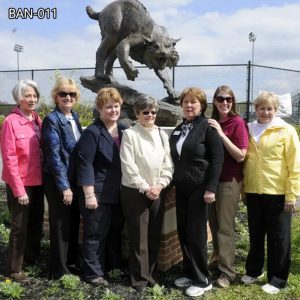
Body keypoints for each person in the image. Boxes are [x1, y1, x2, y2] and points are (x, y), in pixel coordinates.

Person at [241, 92, 300, 294]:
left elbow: (295, 165)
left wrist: (292, 195)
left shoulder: (286, 130)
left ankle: (277, 278)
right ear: (255, 108)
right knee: (256, 234)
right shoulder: (248, 129)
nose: (265, 112)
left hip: (278, 192)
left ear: (275, 110)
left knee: (279, 237)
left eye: (269, 108)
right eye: (261, 108)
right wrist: (243, 190)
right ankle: (254, 270)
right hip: (253, 191)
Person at [169, 87, 224, 297]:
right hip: (181, 187)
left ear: (201, 106)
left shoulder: (207, 128)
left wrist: (210, 188)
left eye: (194, 102)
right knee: (183, 231)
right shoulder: (180, 128)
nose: (189, 106)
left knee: (196, 234)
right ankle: (190, 272)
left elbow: (217, 160)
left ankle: (203, 279)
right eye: (185, 102)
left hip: (200, 189)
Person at [120, 95, 173, 292]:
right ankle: (139, 279)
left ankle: (151, 275)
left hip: (157, 191)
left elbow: (168, 163)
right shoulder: (130, 135)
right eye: (145, 112)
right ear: (137, 114)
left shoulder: (161, 134)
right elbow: (128, 166)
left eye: (153, 112)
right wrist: (146, 187)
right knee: (138, 237)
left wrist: (160, 185)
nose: (150, 115)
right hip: (135, 192)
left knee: (153, 236)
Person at [76, 87, 127, 286]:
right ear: (99, 109)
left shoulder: (123, 130)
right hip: (97, 192)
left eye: (116, 106)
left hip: (117, 192)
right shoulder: (92, 132)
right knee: (95, 233)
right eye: (108, 107)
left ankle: (112, 268)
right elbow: (84, 163)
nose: (113, 110)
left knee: (115, 232)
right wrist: (89, 194)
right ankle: (93, 273)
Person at [1, 80, 44, 282]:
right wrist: (19, 190)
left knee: (35, 222)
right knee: (19, 226)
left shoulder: (37, 119)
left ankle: (31, 258)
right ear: (19, 98)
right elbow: (9, 158)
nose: (32, 99)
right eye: (27, 95)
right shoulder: (11, 122)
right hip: (21, 182)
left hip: (38, 180)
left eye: (34, 95)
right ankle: (14, 268)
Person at [207, 85, 249, 288]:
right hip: (212, 182)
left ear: (232, 102)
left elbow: (241, 155)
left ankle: (227, 272)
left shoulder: (237, 123)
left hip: (229, 181)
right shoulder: (212, 122)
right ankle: (217, 260)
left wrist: (222, 135)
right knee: (214, 225)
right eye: (221, 99)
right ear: (214, 101)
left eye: (229, 99)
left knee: (225, 227)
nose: (225, 103)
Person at [41, 76, 82, 279]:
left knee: (73, 221)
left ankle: (71, 261)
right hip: (58, 181)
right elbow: (53, 156)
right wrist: (64, 187)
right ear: (56, 97)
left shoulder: (74, 117)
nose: (68, 97)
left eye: (71, 94)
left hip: (73, 179)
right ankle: (59, 269)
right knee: (60, 224)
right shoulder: (52, 120)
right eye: (63, 94)